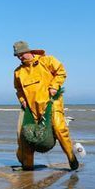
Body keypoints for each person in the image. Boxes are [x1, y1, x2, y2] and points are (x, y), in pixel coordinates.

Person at [13, 41, 78, 171]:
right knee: (24, 135)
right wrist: (22, 100)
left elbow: (61, 72)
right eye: (17, 55)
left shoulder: (47, 61)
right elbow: (18, 89)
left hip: (51, 102)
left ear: (28, 51)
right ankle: (28, 166)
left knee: (60, 129)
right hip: (31, 107)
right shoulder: (18, 72)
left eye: (21, 54)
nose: (20, 57)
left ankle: (72, 159)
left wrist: (54, 86)